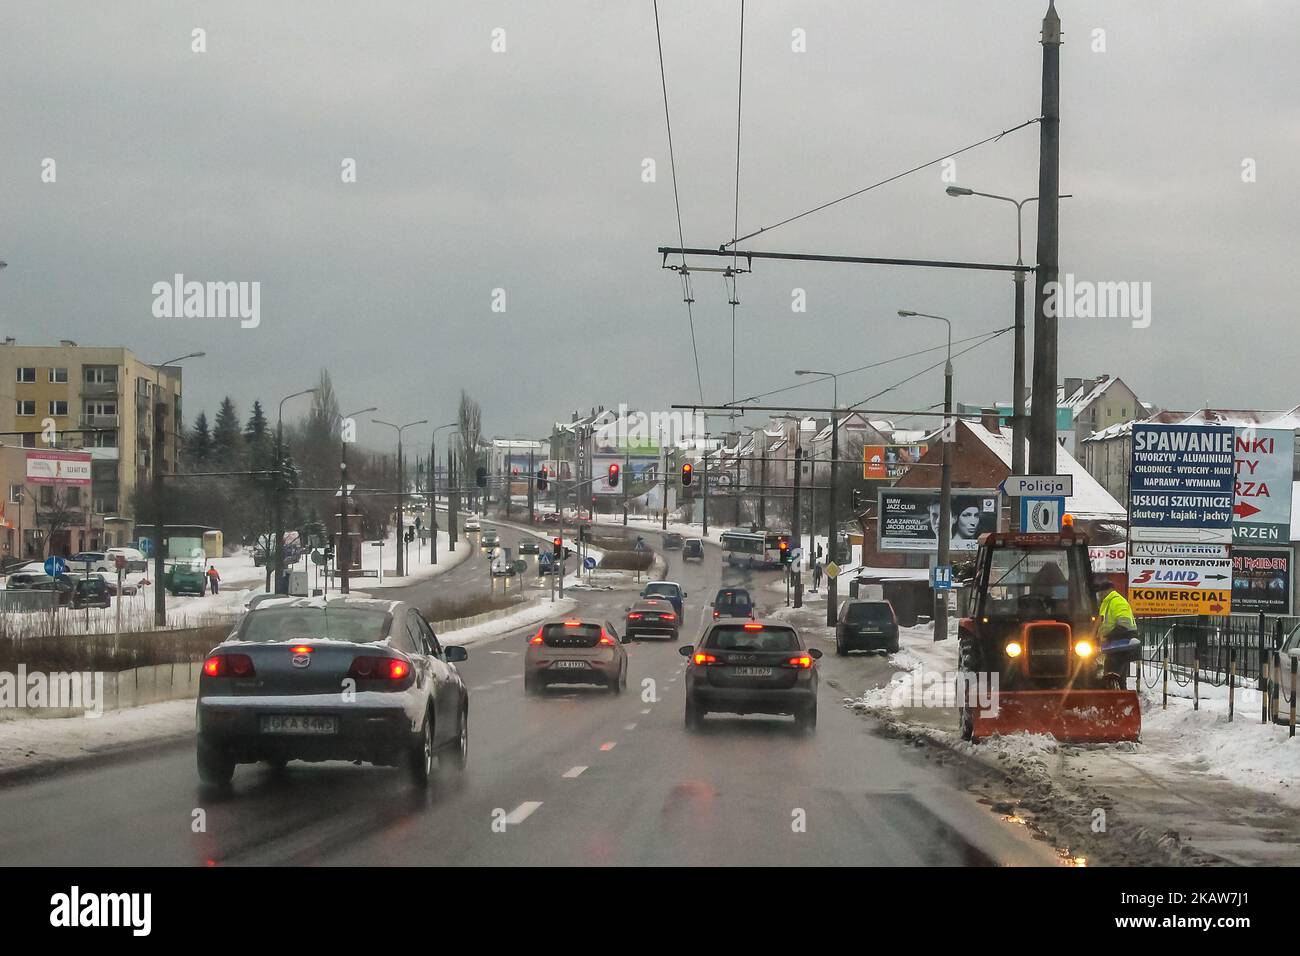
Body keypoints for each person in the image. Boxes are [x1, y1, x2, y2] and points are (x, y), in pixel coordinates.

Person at [1096, 577, 1139, 687]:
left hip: (1121, 645)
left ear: (1107, 591)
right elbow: (1104, 624)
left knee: (1113, 676)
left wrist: (1108, 636)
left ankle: (1119, 700)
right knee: (1115, 678)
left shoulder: (1117, 602)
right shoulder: (1107, 603)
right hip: (1113, 646)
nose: (1099, 596)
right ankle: (1120, 699)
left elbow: (1124, 625)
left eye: (1100, 593)